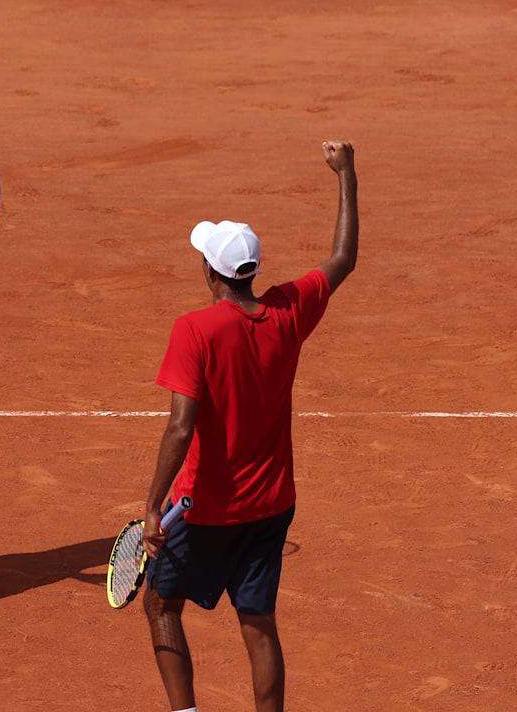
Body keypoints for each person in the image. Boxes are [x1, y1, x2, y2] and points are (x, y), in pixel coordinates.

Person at [140, 140, 359, 711]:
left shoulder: (195, 330)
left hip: (203, 506)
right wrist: (347, 175)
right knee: (258, 622)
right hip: (272, 504)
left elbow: (180, 429)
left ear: (210, 271)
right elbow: (343, 258)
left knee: (160, 607)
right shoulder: (287, 312)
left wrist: (151, 506)